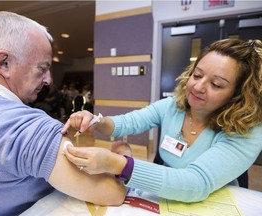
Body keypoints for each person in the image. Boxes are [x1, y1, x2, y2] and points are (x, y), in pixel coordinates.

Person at [62, 39, 262, 202]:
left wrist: (120, 164)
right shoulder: (172, 106)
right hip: (168, 198)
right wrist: (96, 121)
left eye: (216, 84)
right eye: (197, 75)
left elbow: (195, 184)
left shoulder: (247, 131)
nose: (198, 87)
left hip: (214, 204)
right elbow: (127, 122)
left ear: (238, 94)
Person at [0, 11, 126, 216]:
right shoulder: (24, 127)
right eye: (42, 68)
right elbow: (111, 192)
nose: (48, 81)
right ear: (4, 63)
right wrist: (122, 157)